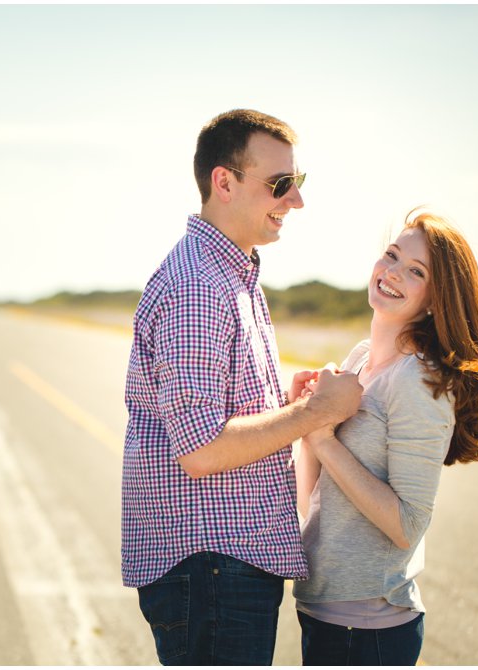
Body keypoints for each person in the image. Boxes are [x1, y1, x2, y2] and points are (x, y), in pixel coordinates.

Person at [121, 109, 363, 666]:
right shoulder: (199, 287)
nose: (295, 201)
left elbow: (216, 413)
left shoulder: (232, 274)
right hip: (211, 569)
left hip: (222, 566)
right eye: (280, 185)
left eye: (297, 183)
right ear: (223, 182)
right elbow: (202, 449)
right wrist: (315, 413)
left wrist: (283, 402)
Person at [292, 210, 478, 665]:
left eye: (415, 271)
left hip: (369, 628)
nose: (392, 272)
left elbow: (407, 525)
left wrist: (327, 438)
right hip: (323, 609)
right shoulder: (358, 359)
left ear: (435, 299)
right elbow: (312, 496)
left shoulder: (418, 381)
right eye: (391, 255)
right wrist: (306, 420)